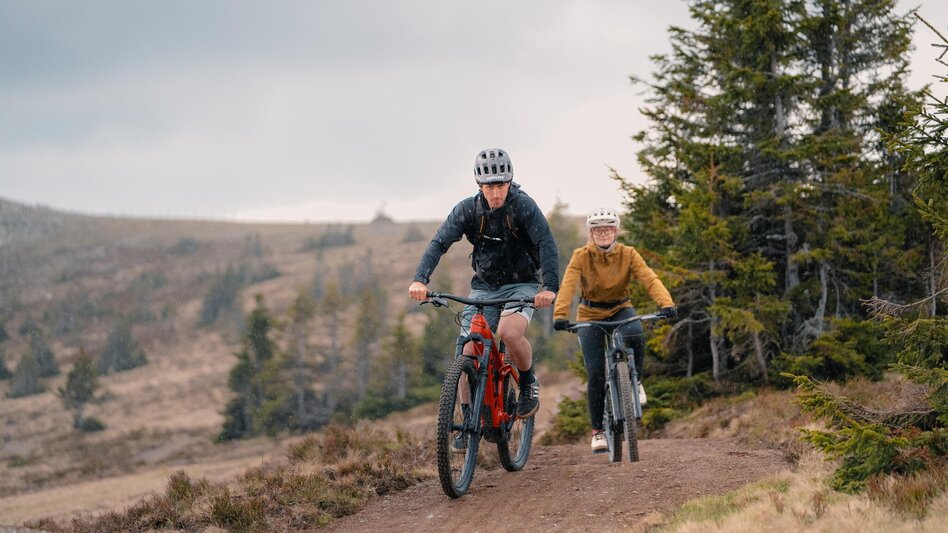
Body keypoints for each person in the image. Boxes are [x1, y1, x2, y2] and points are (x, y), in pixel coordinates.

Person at [408, 148, 559, 433]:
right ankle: (468, 420)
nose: (496, 192)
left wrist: (549, 287)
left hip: (521, 283)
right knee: (467, 348)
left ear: (510, 181)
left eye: (501, 185)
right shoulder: (468, 210)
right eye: (490, 186)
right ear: (480, 185)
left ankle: (528, 385)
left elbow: (546, 245)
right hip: (484, 287)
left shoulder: (524, 207)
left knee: (509, 333)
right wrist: (420, 280)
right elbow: (439, 243)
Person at [552, 207, 676, 454]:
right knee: (596, 372)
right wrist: (560, 315)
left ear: (616, 230)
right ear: (591, 233)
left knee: (635, 333)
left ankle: (636, 382)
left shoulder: (628, 254)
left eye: (608, 228)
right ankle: (598, 431)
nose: (604, 233)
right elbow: (568, 285)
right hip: (590, 313)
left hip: (621, 308)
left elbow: (649, 278)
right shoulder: (581, 256)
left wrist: (666, 303)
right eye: (598, 229)